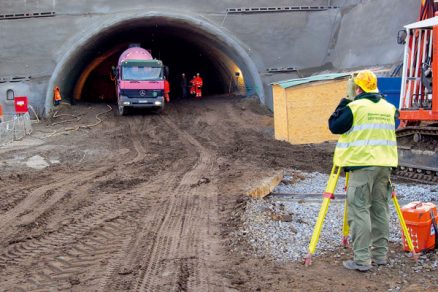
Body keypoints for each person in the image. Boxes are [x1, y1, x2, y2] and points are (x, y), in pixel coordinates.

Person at [328, 70, 398, 272]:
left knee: (359, 211)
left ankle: (361, 259)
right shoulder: (389, 107)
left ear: (357, 88)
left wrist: (346, 100)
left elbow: (334, 126)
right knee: (379, 210)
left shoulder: (354, 107)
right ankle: (380, 256)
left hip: (362, 166)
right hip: (384, 166)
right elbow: (396, 122)